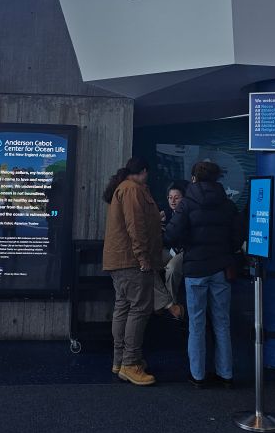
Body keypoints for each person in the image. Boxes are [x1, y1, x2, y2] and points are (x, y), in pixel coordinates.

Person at [164, 160, 244, 388]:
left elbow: (171, 234)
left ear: (193, 179)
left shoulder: (187, 204)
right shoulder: (227, 205)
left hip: (195, 270)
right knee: (222, 322)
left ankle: (198, 375)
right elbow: (237, 237)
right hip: (220, 269)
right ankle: (225, 374)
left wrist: (186, 243)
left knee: (196, 324)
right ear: (217, 179)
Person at [102, 157, 164, 386]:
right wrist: (143, 257)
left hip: (120, 261)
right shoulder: (131, 190)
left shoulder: (124, 188)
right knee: (139, 309)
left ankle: (120, 361)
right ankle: (130, 364)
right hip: (131, 262)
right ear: (144, 171)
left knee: (124, 307)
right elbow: (135, 226)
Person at [153, 180, 188, 319]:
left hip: (184, 251)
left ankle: (171, 305)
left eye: (177, 197)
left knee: (172, 269)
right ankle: (167, 304)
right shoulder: (165, 213)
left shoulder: (188, 213)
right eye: (170, 197)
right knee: (148, 264)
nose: (172, 201)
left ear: (183, 199)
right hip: (169, 249)